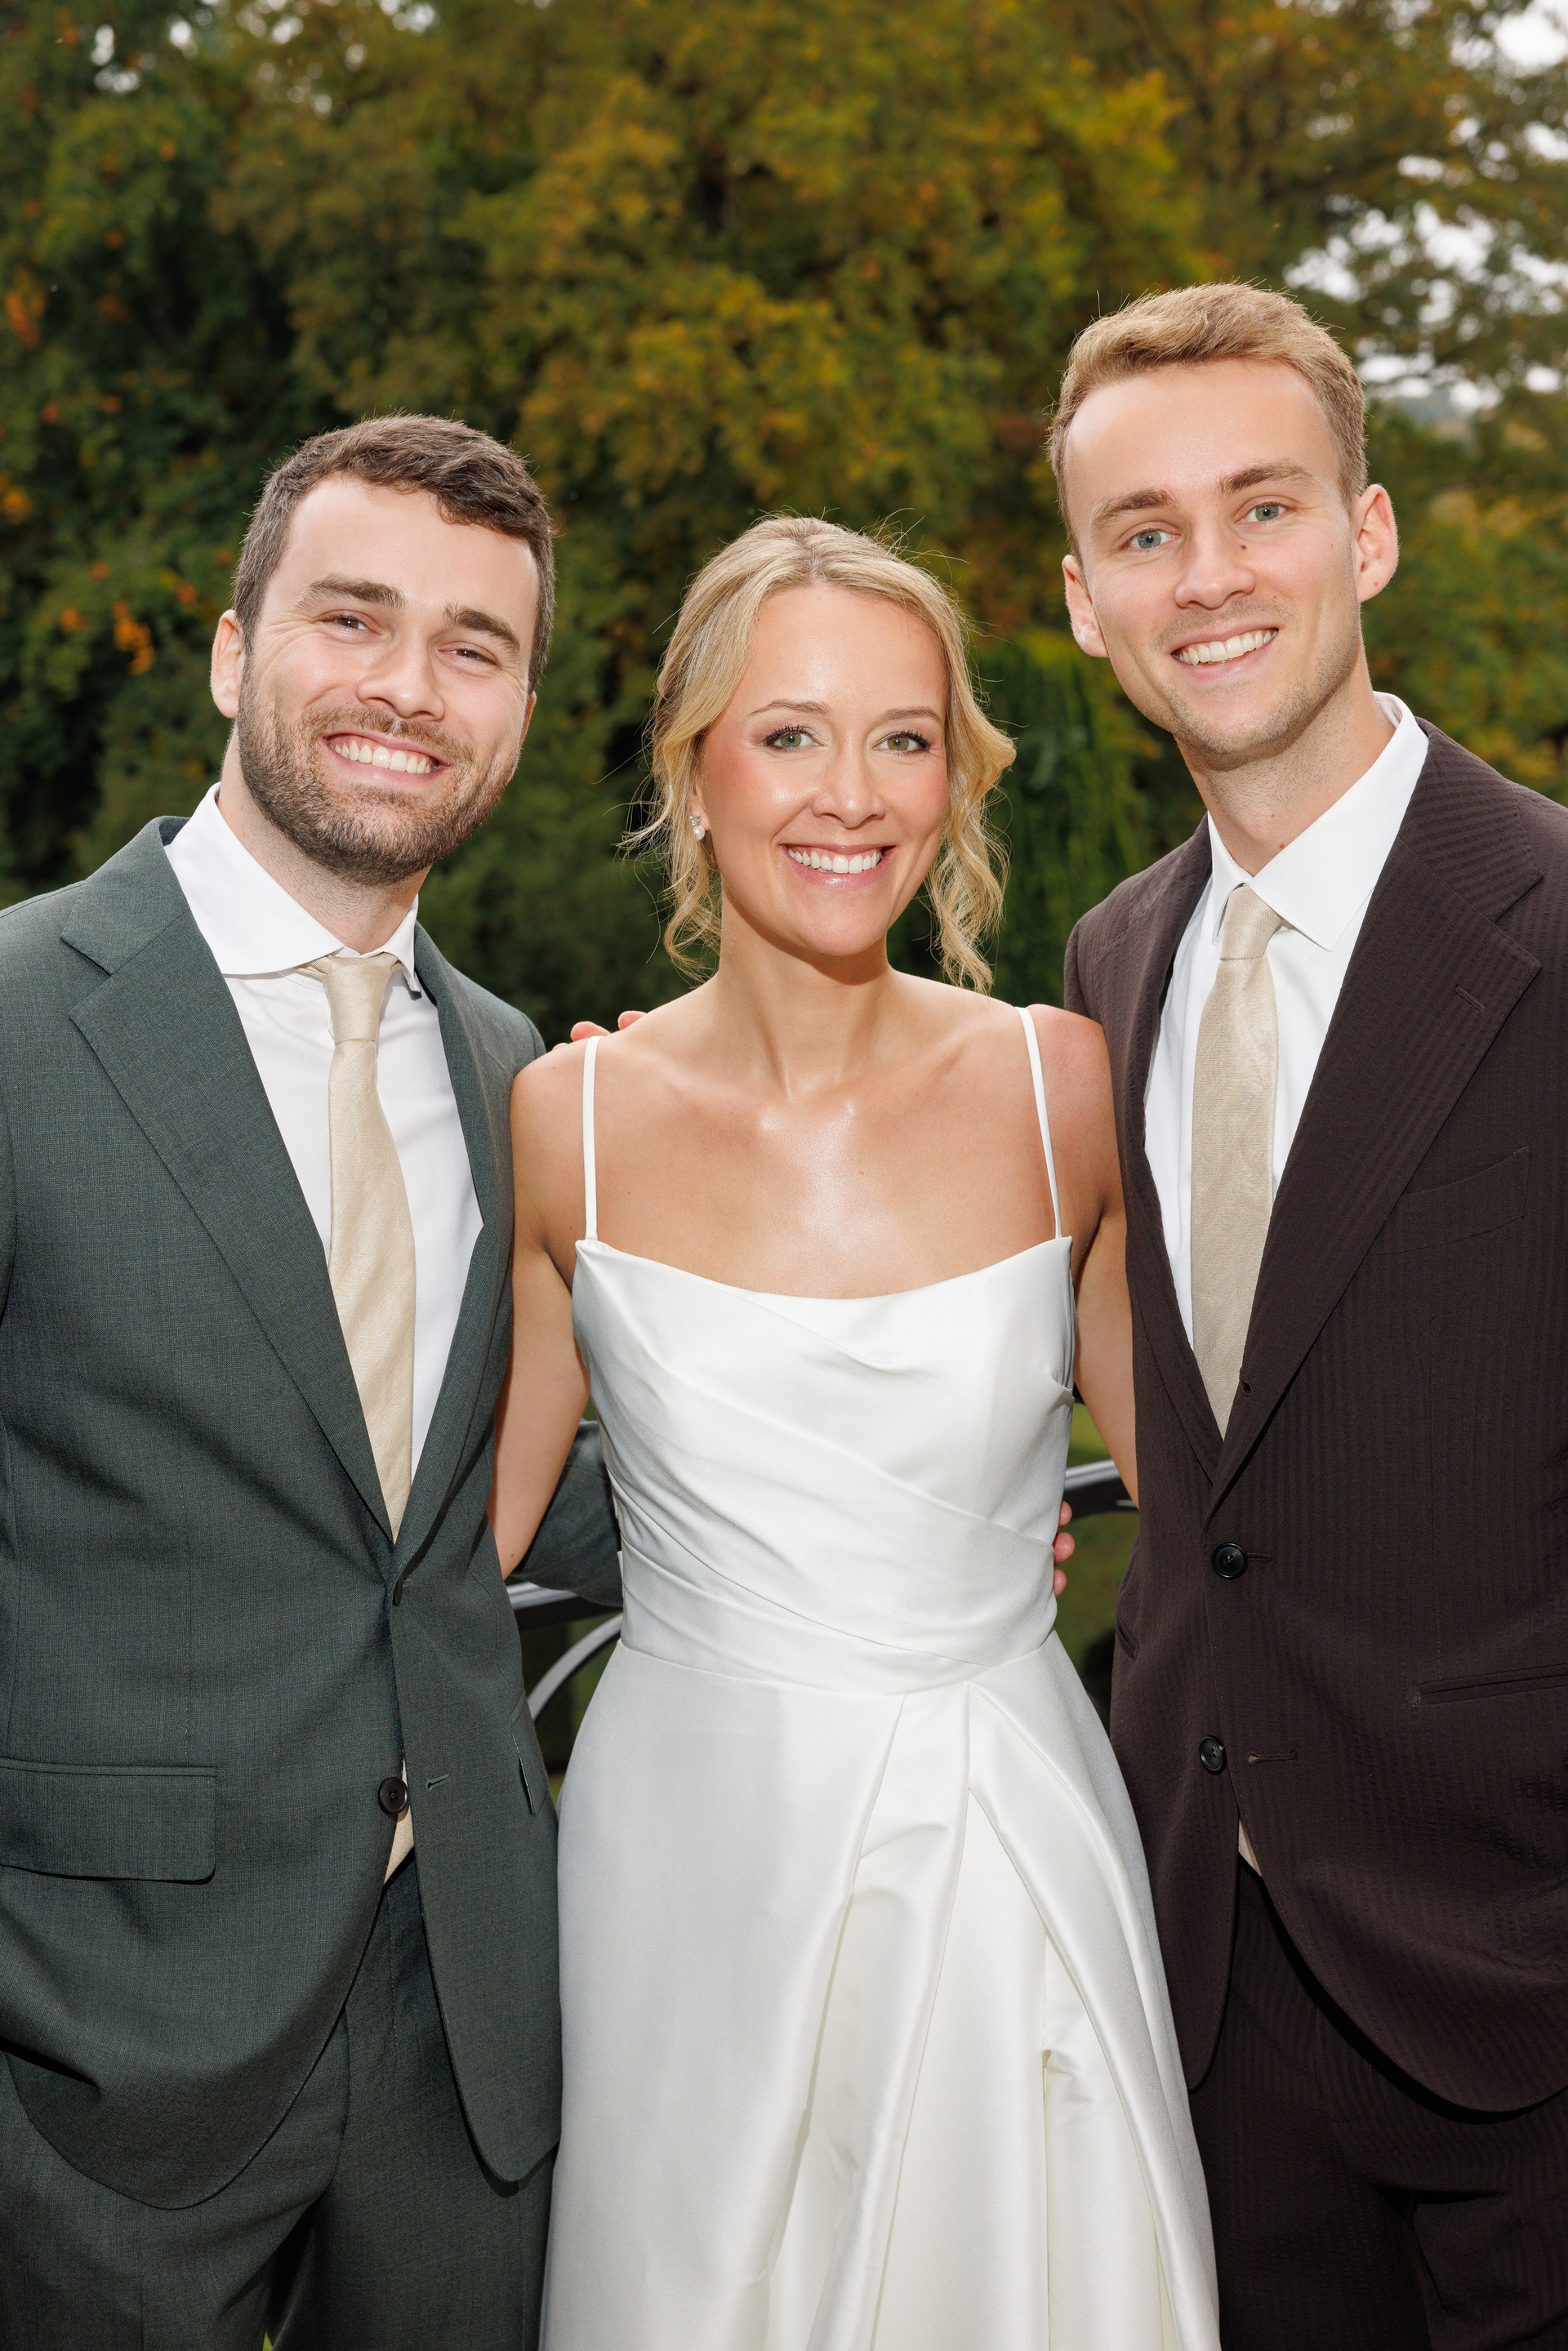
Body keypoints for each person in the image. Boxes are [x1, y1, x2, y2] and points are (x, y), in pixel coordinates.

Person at [492, 515, 1220, 2349]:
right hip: (687, 1866)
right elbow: (468, 1540)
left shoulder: (1060, 1086)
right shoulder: (566, 1126)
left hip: (1002, 1837)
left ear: (955, 776)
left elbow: (1215, 1487)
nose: (852, 794)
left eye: (904, 737)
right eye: (790, 733)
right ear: (694, 767)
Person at [0, 415, 620, 2350]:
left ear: (518, 711)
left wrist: (903, 1496)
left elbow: (496, 1497)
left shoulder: (526, 1080)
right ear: (230, 649)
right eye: (353, 619)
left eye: (472, 645)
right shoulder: (19, 1022)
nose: (409, 688)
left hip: (466, 2035)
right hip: (91, 2044)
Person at [1055, 283, 1568, 2349]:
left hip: (1526, 1992)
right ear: (1086, 601)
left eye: (1261, 507)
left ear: (1366, 535)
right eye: (1146, 532)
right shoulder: (1110, 966)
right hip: (1212, 1981)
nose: (1209, 575)